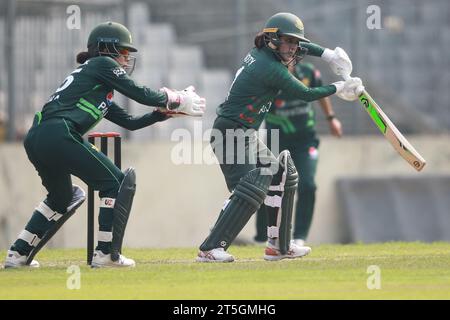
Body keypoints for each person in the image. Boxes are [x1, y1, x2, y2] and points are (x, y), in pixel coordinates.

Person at [4, 21, 205, 268]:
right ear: (105, 49)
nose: (125, 59)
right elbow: (140, 94)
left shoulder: (96, 85)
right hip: (59, 132)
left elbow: (130, 123)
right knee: (117, 183)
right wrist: (176, 98)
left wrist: (162, 114)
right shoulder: (101, 63)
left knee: (60, 198)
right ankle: (106, 254)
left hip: (38, 138)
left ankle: (18, 254)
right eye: (122, 52)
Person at [196, 12, 363, 262]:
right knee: (249, 191)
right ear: (272, 39)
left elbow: (299, 45)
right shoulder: (269, 67)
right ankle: (210, 248)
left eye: (295, 42)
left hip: (245, 132)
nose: (293, 48)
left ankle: (278, 245)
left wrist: (328, 54)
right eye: (288, 42)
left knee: (280, 176)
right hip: (230, 132)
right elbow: (305, 93)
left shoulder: (266, 51)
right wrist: (340, 87)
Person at [254, 61, 342, 246]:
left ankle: (299, 237)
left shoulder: (308, 72)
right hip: (276, 140)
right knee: (266, 186)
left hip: (305, 140)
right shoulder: (269, 76)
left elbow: (320, 93)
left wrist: (331, 118)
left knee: (308, 185)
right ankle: (263, 237)